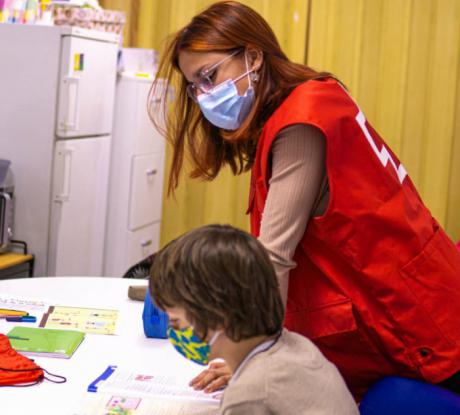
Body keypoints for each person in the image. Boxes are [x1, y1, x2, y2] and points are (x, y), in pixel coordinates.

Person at [149, 0, 460, 400]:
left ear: (254, 56)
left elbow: (274, 257)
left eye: (210, 76)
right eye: (196, 87)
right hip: (419, 292)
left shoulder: (301, 123)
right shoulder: (305, 104)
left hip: (413, 316)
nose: (205, 95)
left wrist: (247, 359)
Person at [149, 224, 359, 414]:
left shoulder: (250, 396)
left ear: (218, 316)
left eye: (176, 323)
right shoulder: (297, 345)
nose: (172, 332)